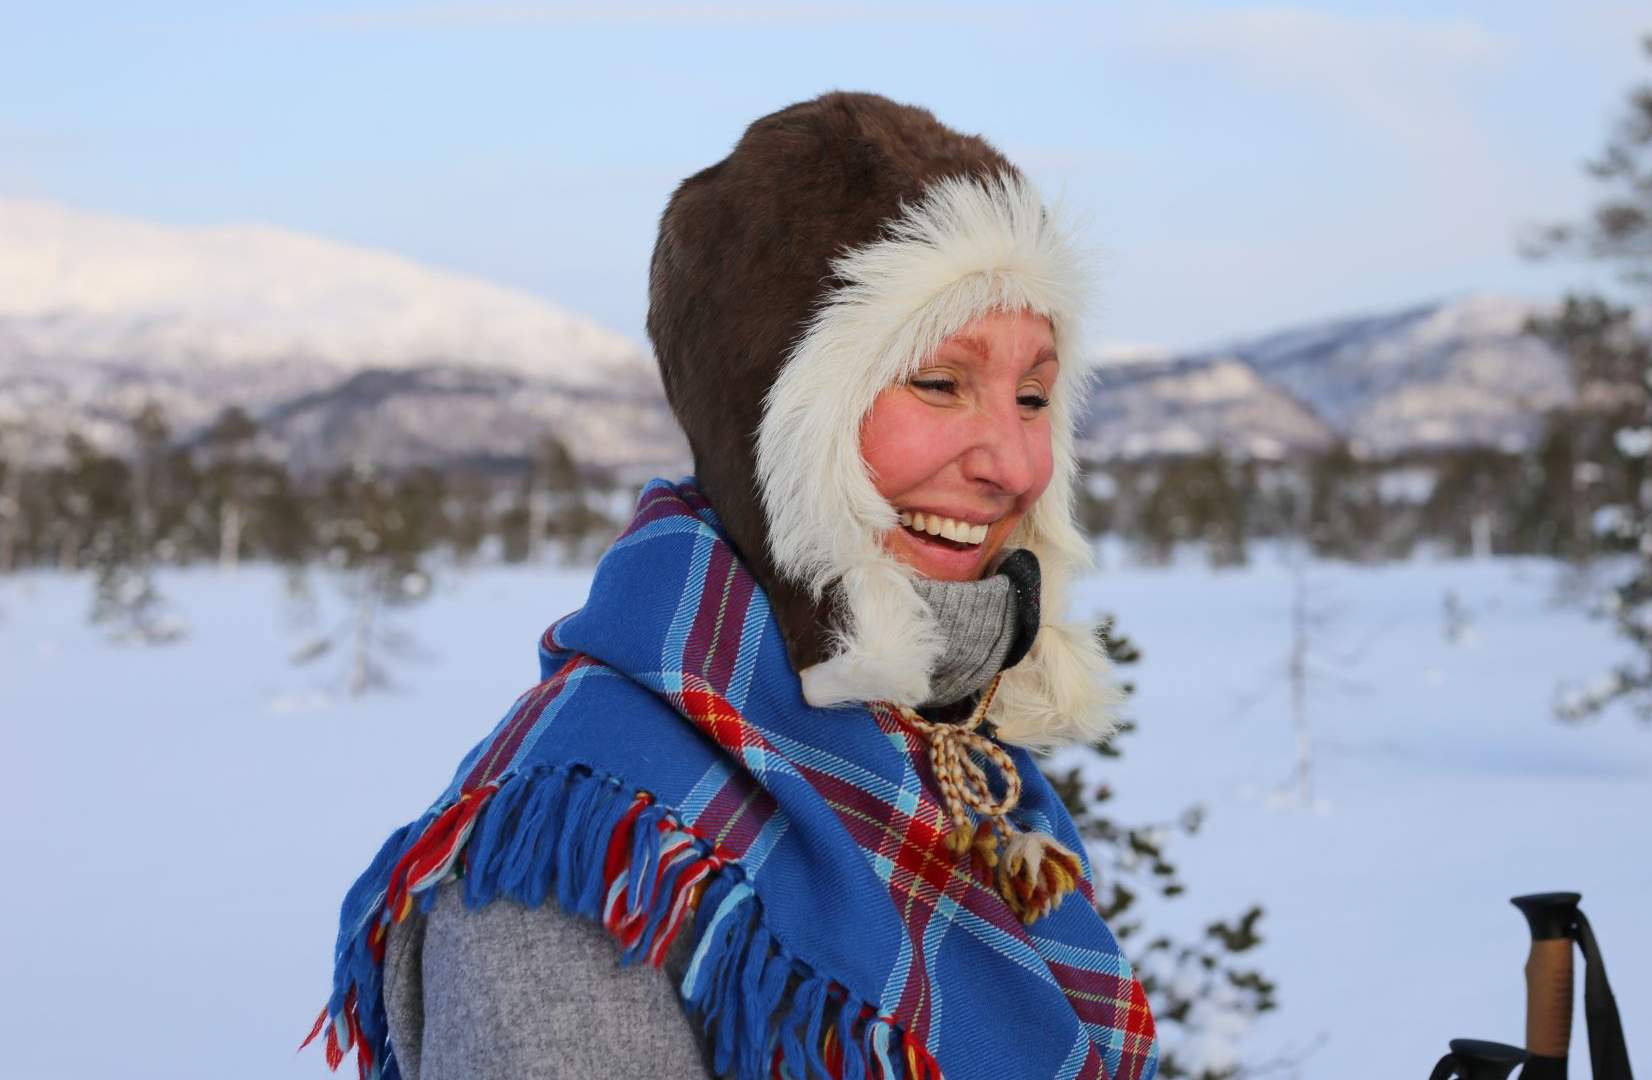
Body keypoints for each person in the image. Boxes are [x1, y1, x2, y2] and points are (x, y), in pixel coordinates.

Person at [308, 91, 1158, 1080]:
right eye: (939, 383)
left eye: (1032, 398)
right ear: (773, 418)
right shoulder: (599, 855)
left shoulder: (949, 762)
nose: (1014, 465)